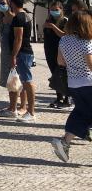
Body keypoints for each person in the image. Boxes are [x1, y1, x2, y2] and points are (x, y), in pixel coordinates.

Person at [50, 9, 92, 163]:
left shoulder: (64, 40)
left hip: (73, 83)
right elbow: (91, 65)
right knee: (84, 113)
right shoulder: (87, 42)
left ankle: (64, 142)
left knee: (81, 112)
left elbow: (60, 62)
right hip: (89, 82)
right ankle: (65, 142)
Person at [0, 0, 27, 118]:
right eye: (0, 3)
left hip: (14, 53)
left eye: (3, 3)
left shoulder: (15, 19)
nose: (1, 5)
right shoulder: (1, 20)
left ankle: (23, 106)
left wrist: (14, 55)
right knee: (10, 81)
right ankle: (12, 106)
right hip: (5, 53)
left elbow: (19, 38)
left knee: (19, 80)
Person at [9, 0, 37, 123]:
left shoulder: (19, 17)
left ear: (12, 3)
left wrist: (14, 55)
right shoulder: (25, 15)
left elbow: (18, 38)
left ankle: (31, 112)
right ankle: (25, 109)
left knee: (27, 81)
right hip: (25, 52)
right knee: (24, 81)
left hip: (23, 53)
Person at [44, 0, 69, 108]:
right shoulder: (48, 20)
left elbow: (64, 35)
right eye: (52, 10)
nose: (54, 12)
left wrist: (53, 27)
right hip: (50, 51)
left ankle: (67, 99)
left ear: (61, 10)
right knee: (54, 75)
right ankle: (59, 98)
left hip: (62, 52)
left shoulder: (65, 21)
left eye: (56, 10)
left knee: (64, 75)